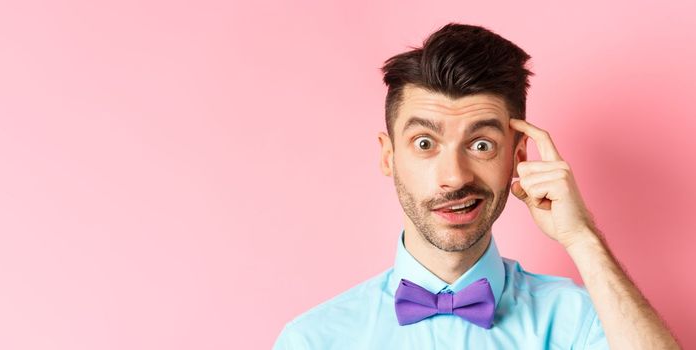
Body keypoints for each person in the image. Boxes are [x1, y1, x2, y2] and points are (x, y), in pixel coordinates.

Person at [272, 23, 680, 349]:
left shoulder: (581, 321)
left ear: (518, 157)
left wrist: (582, 238)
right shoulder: (313, 339)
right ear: (388, 155)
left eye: (481, 144)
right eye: (425, 143)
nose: (456, 176)